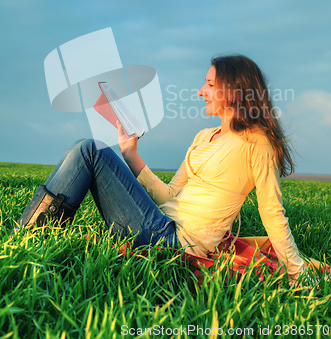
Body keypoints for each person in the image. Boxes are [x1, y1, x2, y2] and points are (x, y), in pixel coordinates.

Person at [13, 55, 305, 282]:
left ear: (235, 91)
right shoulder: (203, 137)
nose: (202, 91)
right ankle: (30, 242)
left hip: (176, 244)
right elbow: (170, 195)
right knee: (89, 149)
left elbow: (272, 211)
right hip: (158, 226)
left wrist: (297, 272)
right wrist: (130, 153)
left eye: (211, 84)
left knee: (89, 150)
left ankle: (24, 241)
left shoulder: (257, 143)